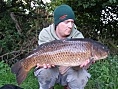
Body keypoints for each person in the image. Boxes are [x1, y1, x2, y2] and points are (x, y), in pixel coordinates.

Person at [34, 4, 91, 89]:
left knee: (81, 76)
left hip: (69, 68)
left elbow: (77, 66)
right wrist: (43, 63)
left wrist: (81, 64)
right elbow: (41, 54)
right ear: (58, 23)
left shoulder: (78, 36)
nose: (70, 26)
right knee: (45, 73)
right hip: (51, 68)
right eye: (66, 22)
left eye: (72, 22)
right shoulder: (45, 33)